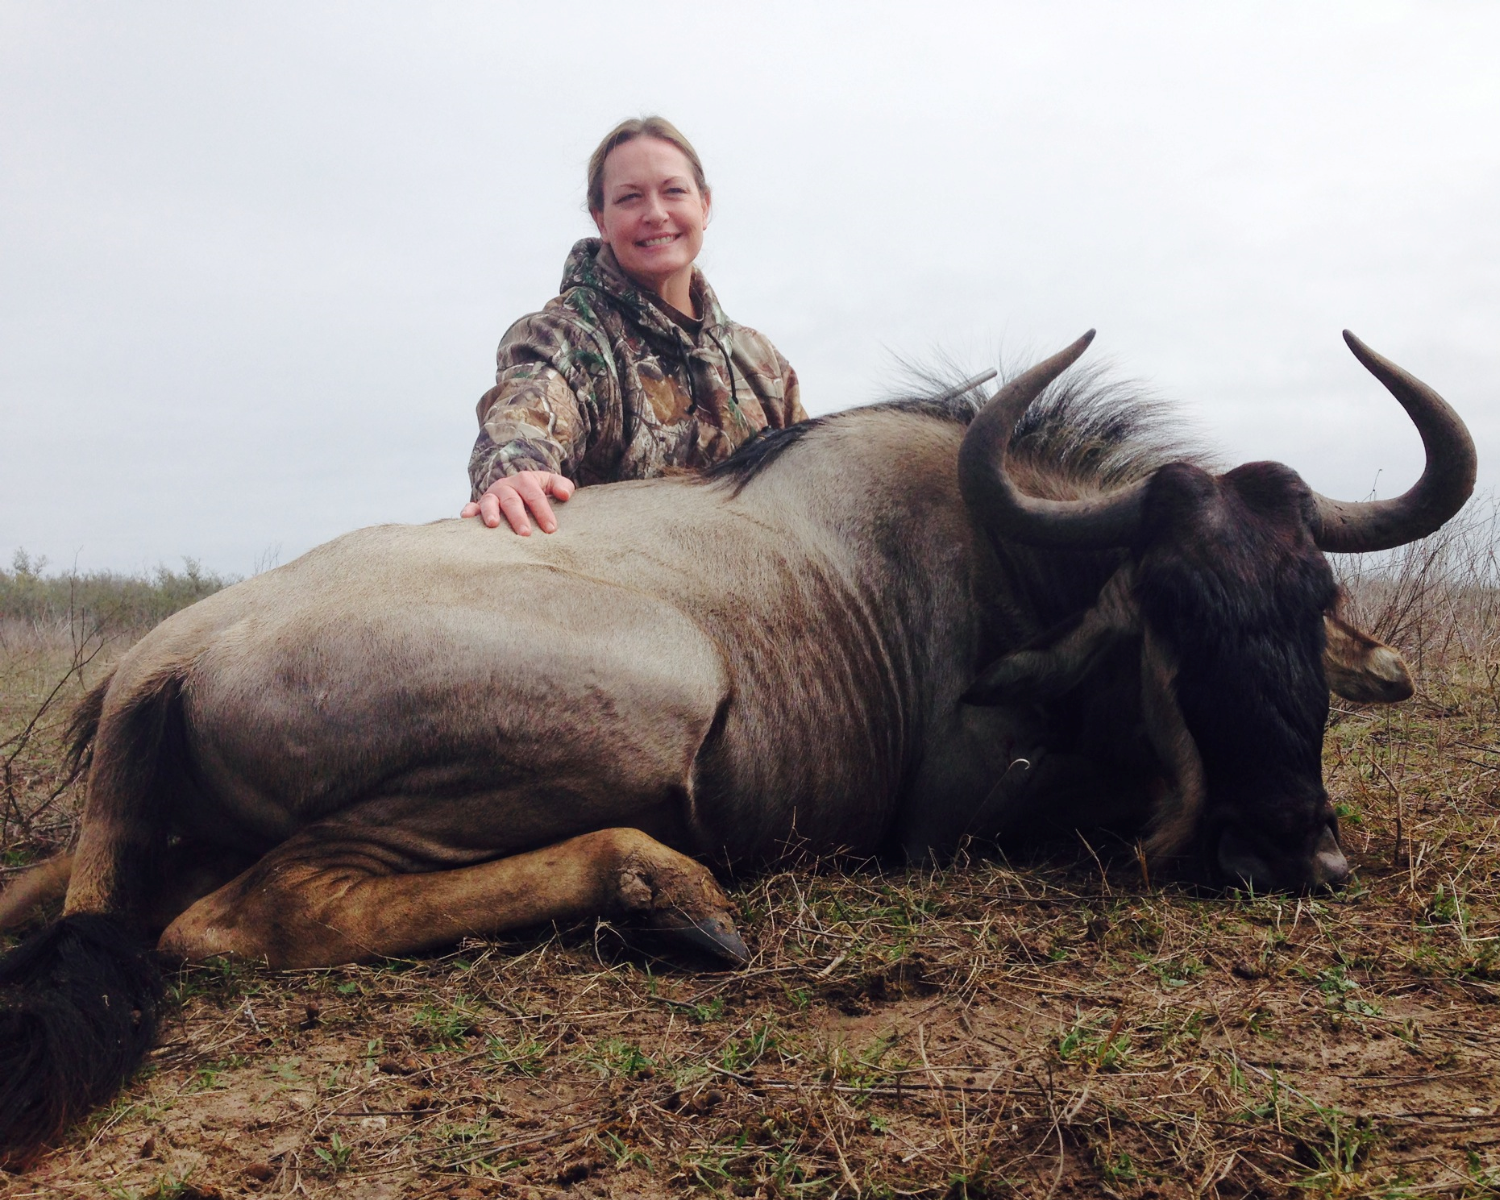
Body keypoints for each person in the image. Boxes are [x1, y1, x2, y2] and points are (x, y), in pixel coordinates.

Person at [461, 116, 806, 535]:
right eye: (629, 198)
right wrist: (515, 472)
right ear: (601, 220)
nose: (656, 214)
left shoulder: (762, 362)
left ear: (705, 205)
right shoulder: (566, 338)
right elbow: (526, 416)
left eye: (674, 191)